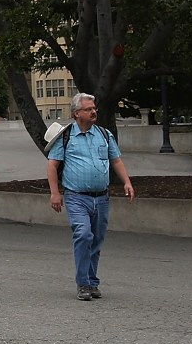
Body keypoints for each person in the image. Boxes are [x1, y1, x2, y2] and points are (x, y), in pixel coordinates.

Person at [46, 93, 136, 300]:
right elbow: (52, 165)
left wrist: (127, 182)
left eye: (94, 108)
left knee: (96, 240)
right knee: (84, 234)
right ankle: (83, 283)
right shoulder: (66, 136)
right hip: (77, 197)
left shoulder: (104, 135)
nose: (94, 111)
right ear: (77, 113)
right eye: (88, 109)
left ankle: (92, 282)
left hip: (102, 198)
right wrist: (55, 193)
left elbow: (116, 160)